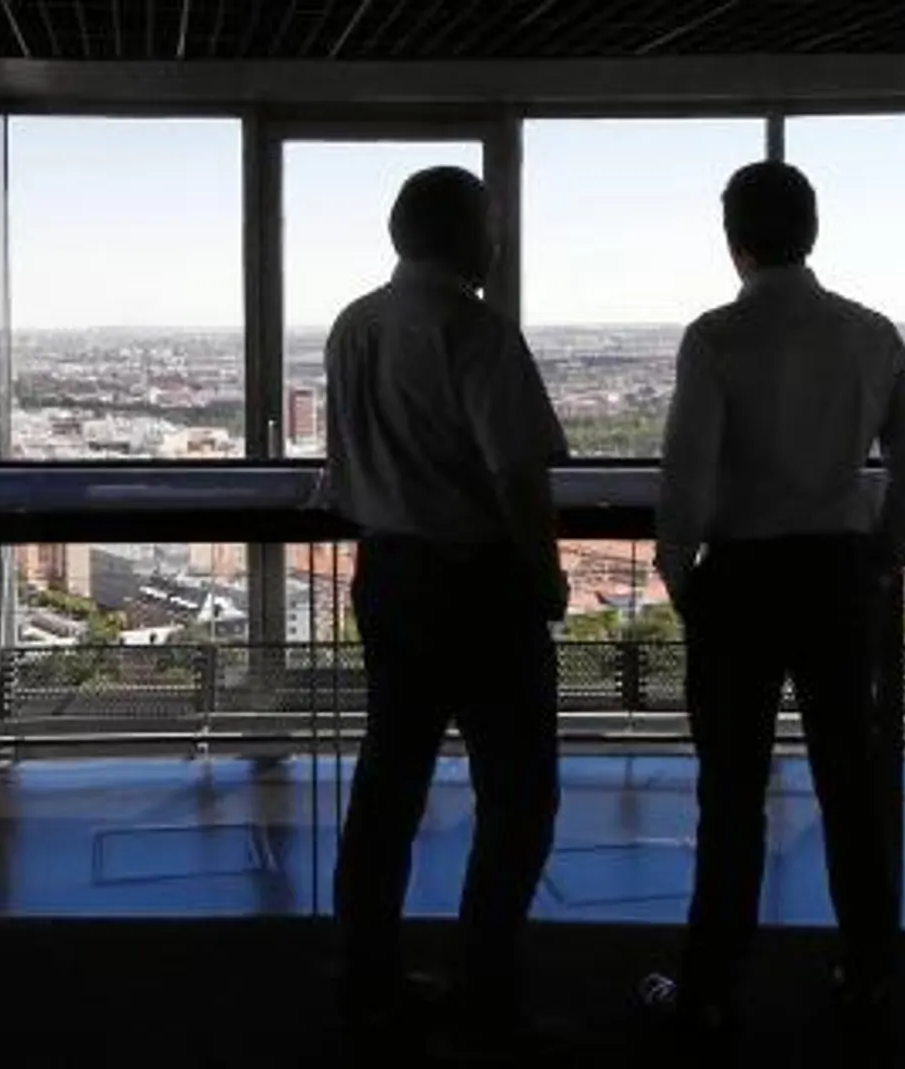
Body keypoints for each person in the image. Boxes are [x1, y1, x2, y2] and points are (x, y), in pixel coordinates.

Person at [643, 161, 905, 1037]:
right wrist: (886, 552)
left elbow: (687, 475)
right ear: (813, 230)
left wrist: (679, 571)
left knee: (728, 789)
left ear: (734, 238)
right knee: (851, 781)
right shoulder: (872, 334)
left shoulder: (716, 338)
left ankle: (710, 982)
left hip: (742, 580)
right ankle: (871, 971)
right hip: (839, 575)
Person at [324, 166, 569, 1050]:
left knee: (389, 783)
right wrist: (546, 577)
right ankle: (484, 980)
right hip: (479, 585)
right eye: (492, 223)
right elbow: (517, 473)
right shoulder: (475, 330)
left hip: (387, 573)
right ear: (466, 233)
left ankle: (365, 974)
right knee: (518, 794)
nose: (498, 239)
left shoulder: (353, 326)